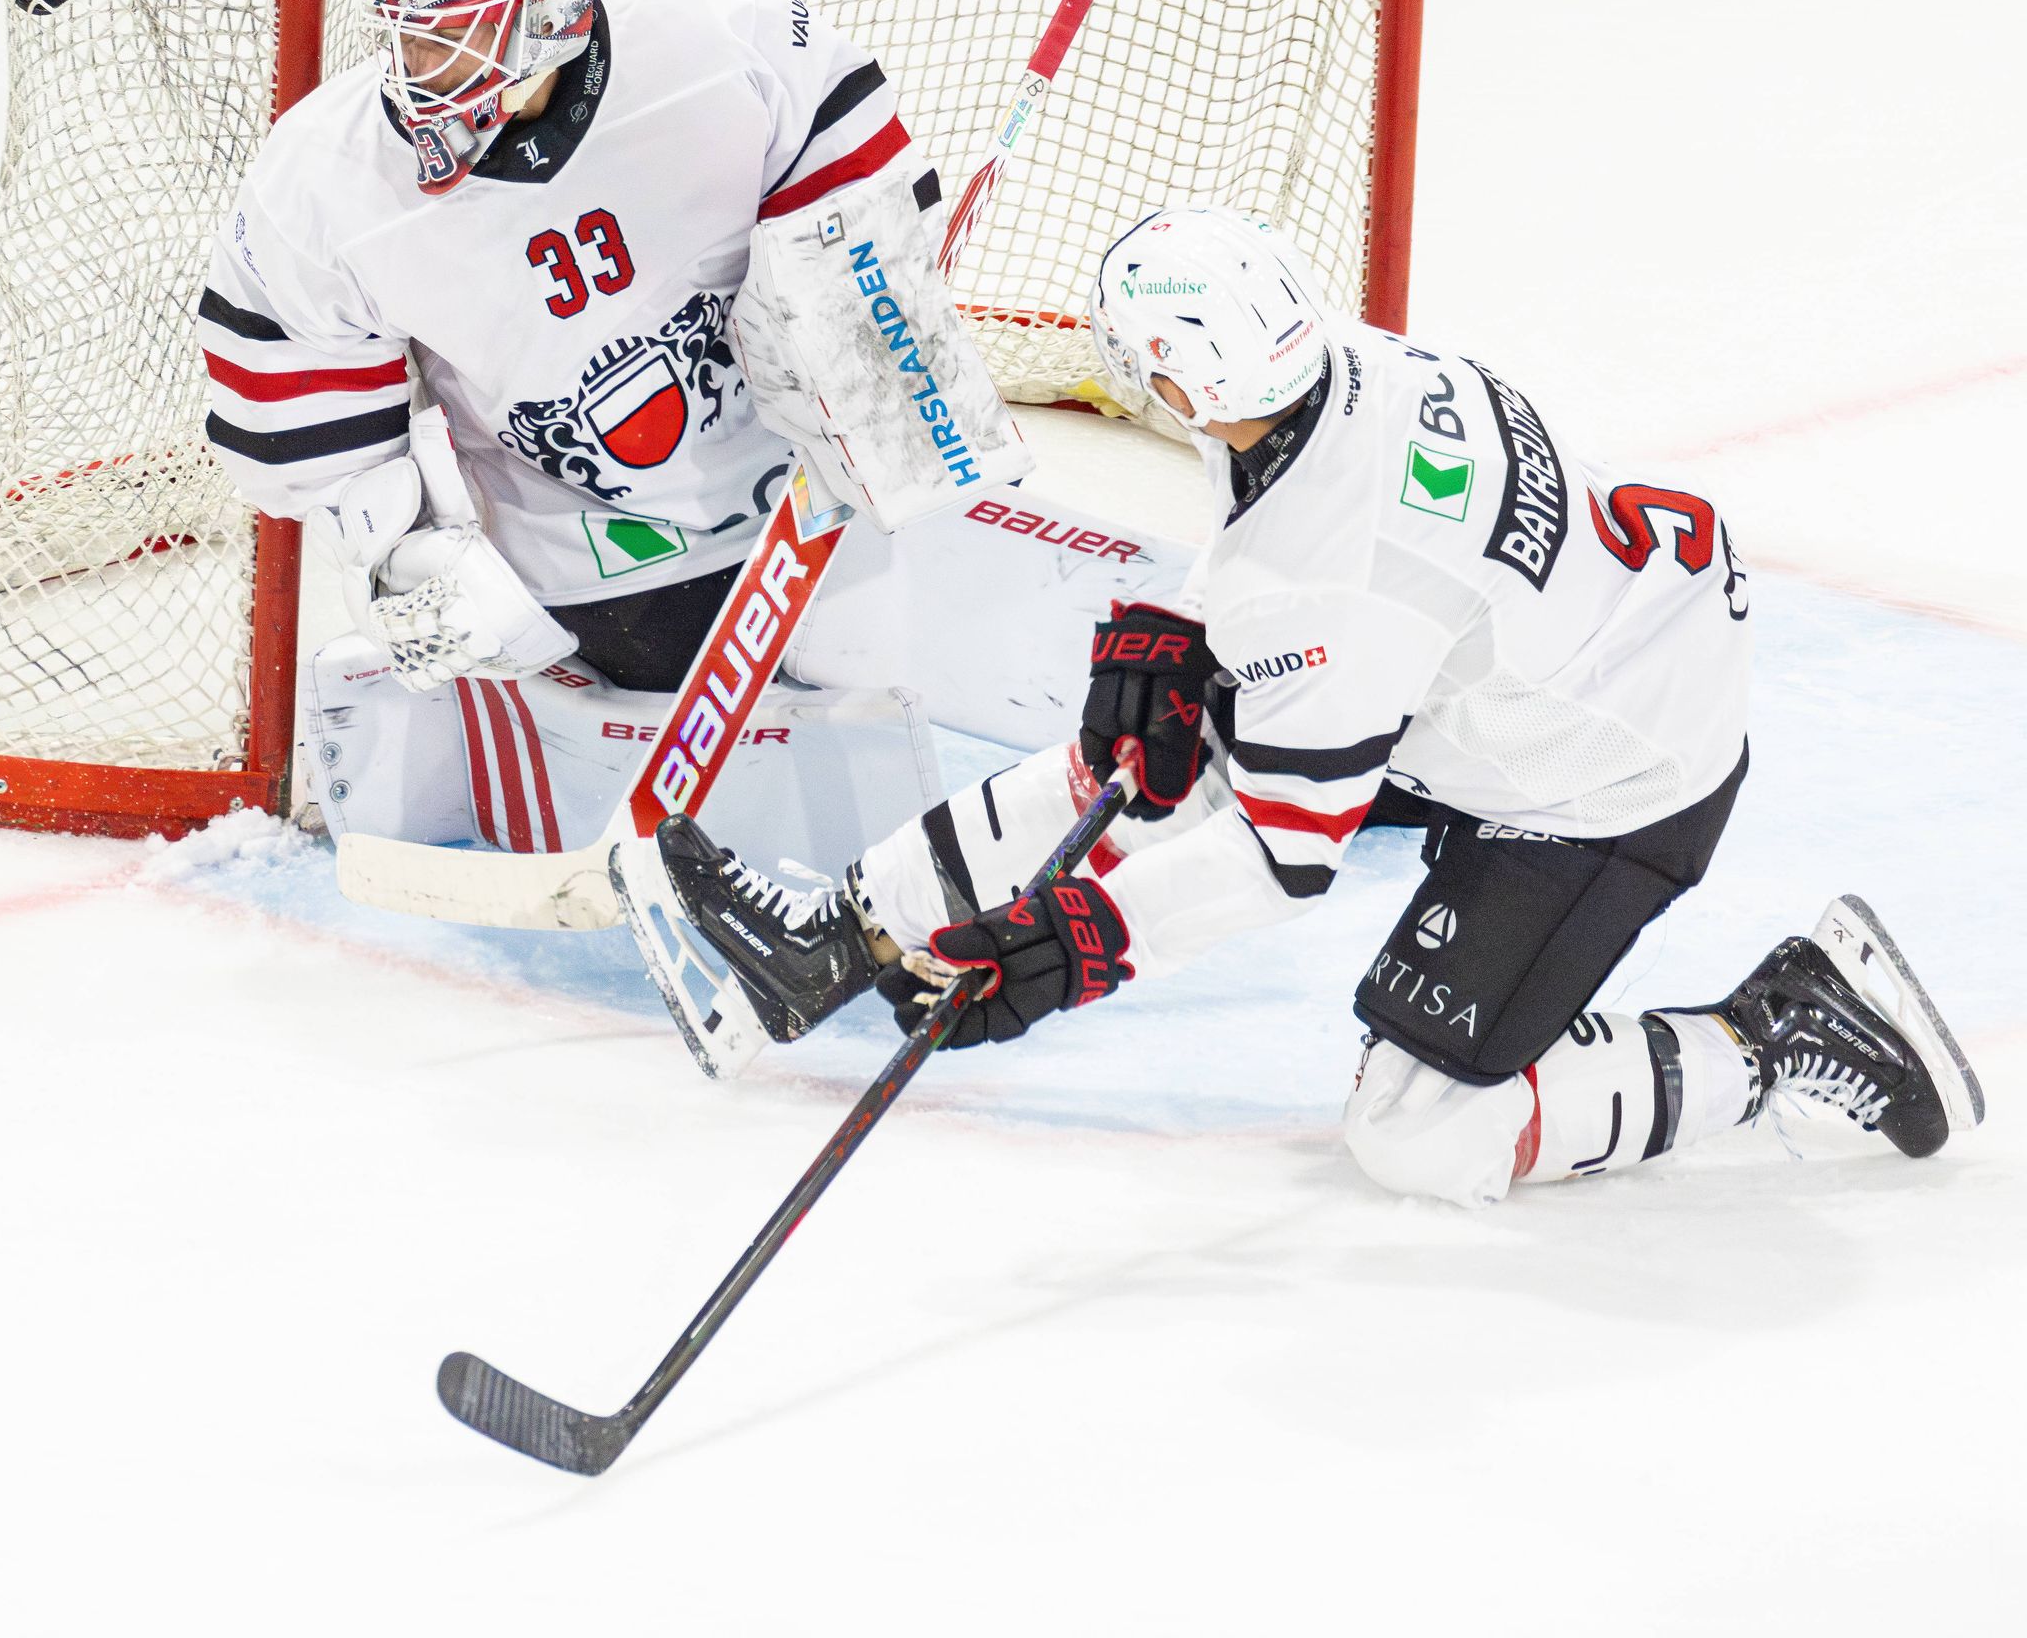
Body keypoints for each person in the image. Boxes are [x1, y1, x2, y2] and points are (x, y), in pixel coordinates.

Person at [632, 206, 1982, 1200]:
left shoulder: (1322, 593)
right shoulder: (1346, 364)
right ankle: (833, 939)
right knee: (1148, 759)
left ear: (1177, 382)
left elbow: (1282, 861)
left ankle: (1780, 1033)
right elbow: (1311, 543)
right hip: (1557, 661)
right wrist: (1184, 623)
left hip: (1610, 780)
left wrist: (1071, 949)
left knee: (1416, 1134)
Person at [202, 0, 1033, 858]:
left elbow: (859, 187)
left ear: (546, 19)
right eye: (414, 46)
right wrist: (402, 547)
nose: (426, 76)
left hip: (809, 487)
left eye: (458, 42)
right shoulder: (326, 179)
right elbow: (289, 401)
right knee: (740, 768)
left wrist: (859, 338)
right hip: (591, 549)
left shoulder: (705, 29)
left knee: (875, 676)